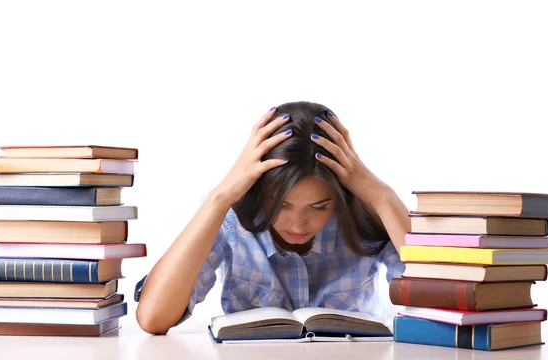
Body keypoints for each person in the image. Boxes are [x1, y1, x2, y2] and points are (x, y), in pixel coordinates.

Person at [134, 101, 411, 335]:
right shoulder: (232, 219)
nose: (298, 225)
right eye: (280, 205)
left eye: (319, 207)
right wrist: (220, 196)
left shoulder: (364, 216)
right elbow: (153, 318)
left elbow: (445, 301)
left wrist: (382, 196)